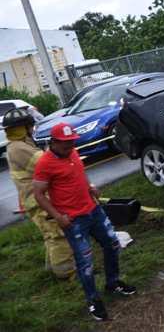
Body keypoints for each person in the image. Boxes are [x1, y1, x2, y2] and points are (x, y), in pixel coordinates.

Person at [33, 122, 136, 321]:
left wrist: (91, 187)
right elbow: (39, 194)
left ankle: (113, 283)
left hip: (94, 209)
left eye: (72, 142)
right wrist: (58, 216)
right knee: (85, 262)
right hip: (74, 220)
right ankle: (93, 300)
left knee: (112, 244)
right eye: (65, 143)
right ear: (53, 142)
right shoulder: (45, 163)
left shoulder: (71, 153)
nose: (70, 146)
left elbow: (79, 172)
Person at [3, 109, 75, 279]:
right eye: (30, 126)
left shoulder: (17, 145)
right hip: (37, 201)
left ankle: (52, 268)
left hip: (33, 200)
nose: (33, 129)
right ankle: (66, 272)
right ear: (24, 128)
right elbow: (48, 164)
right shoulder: (20, 148)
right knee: (57, 234)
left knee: (50, 234)